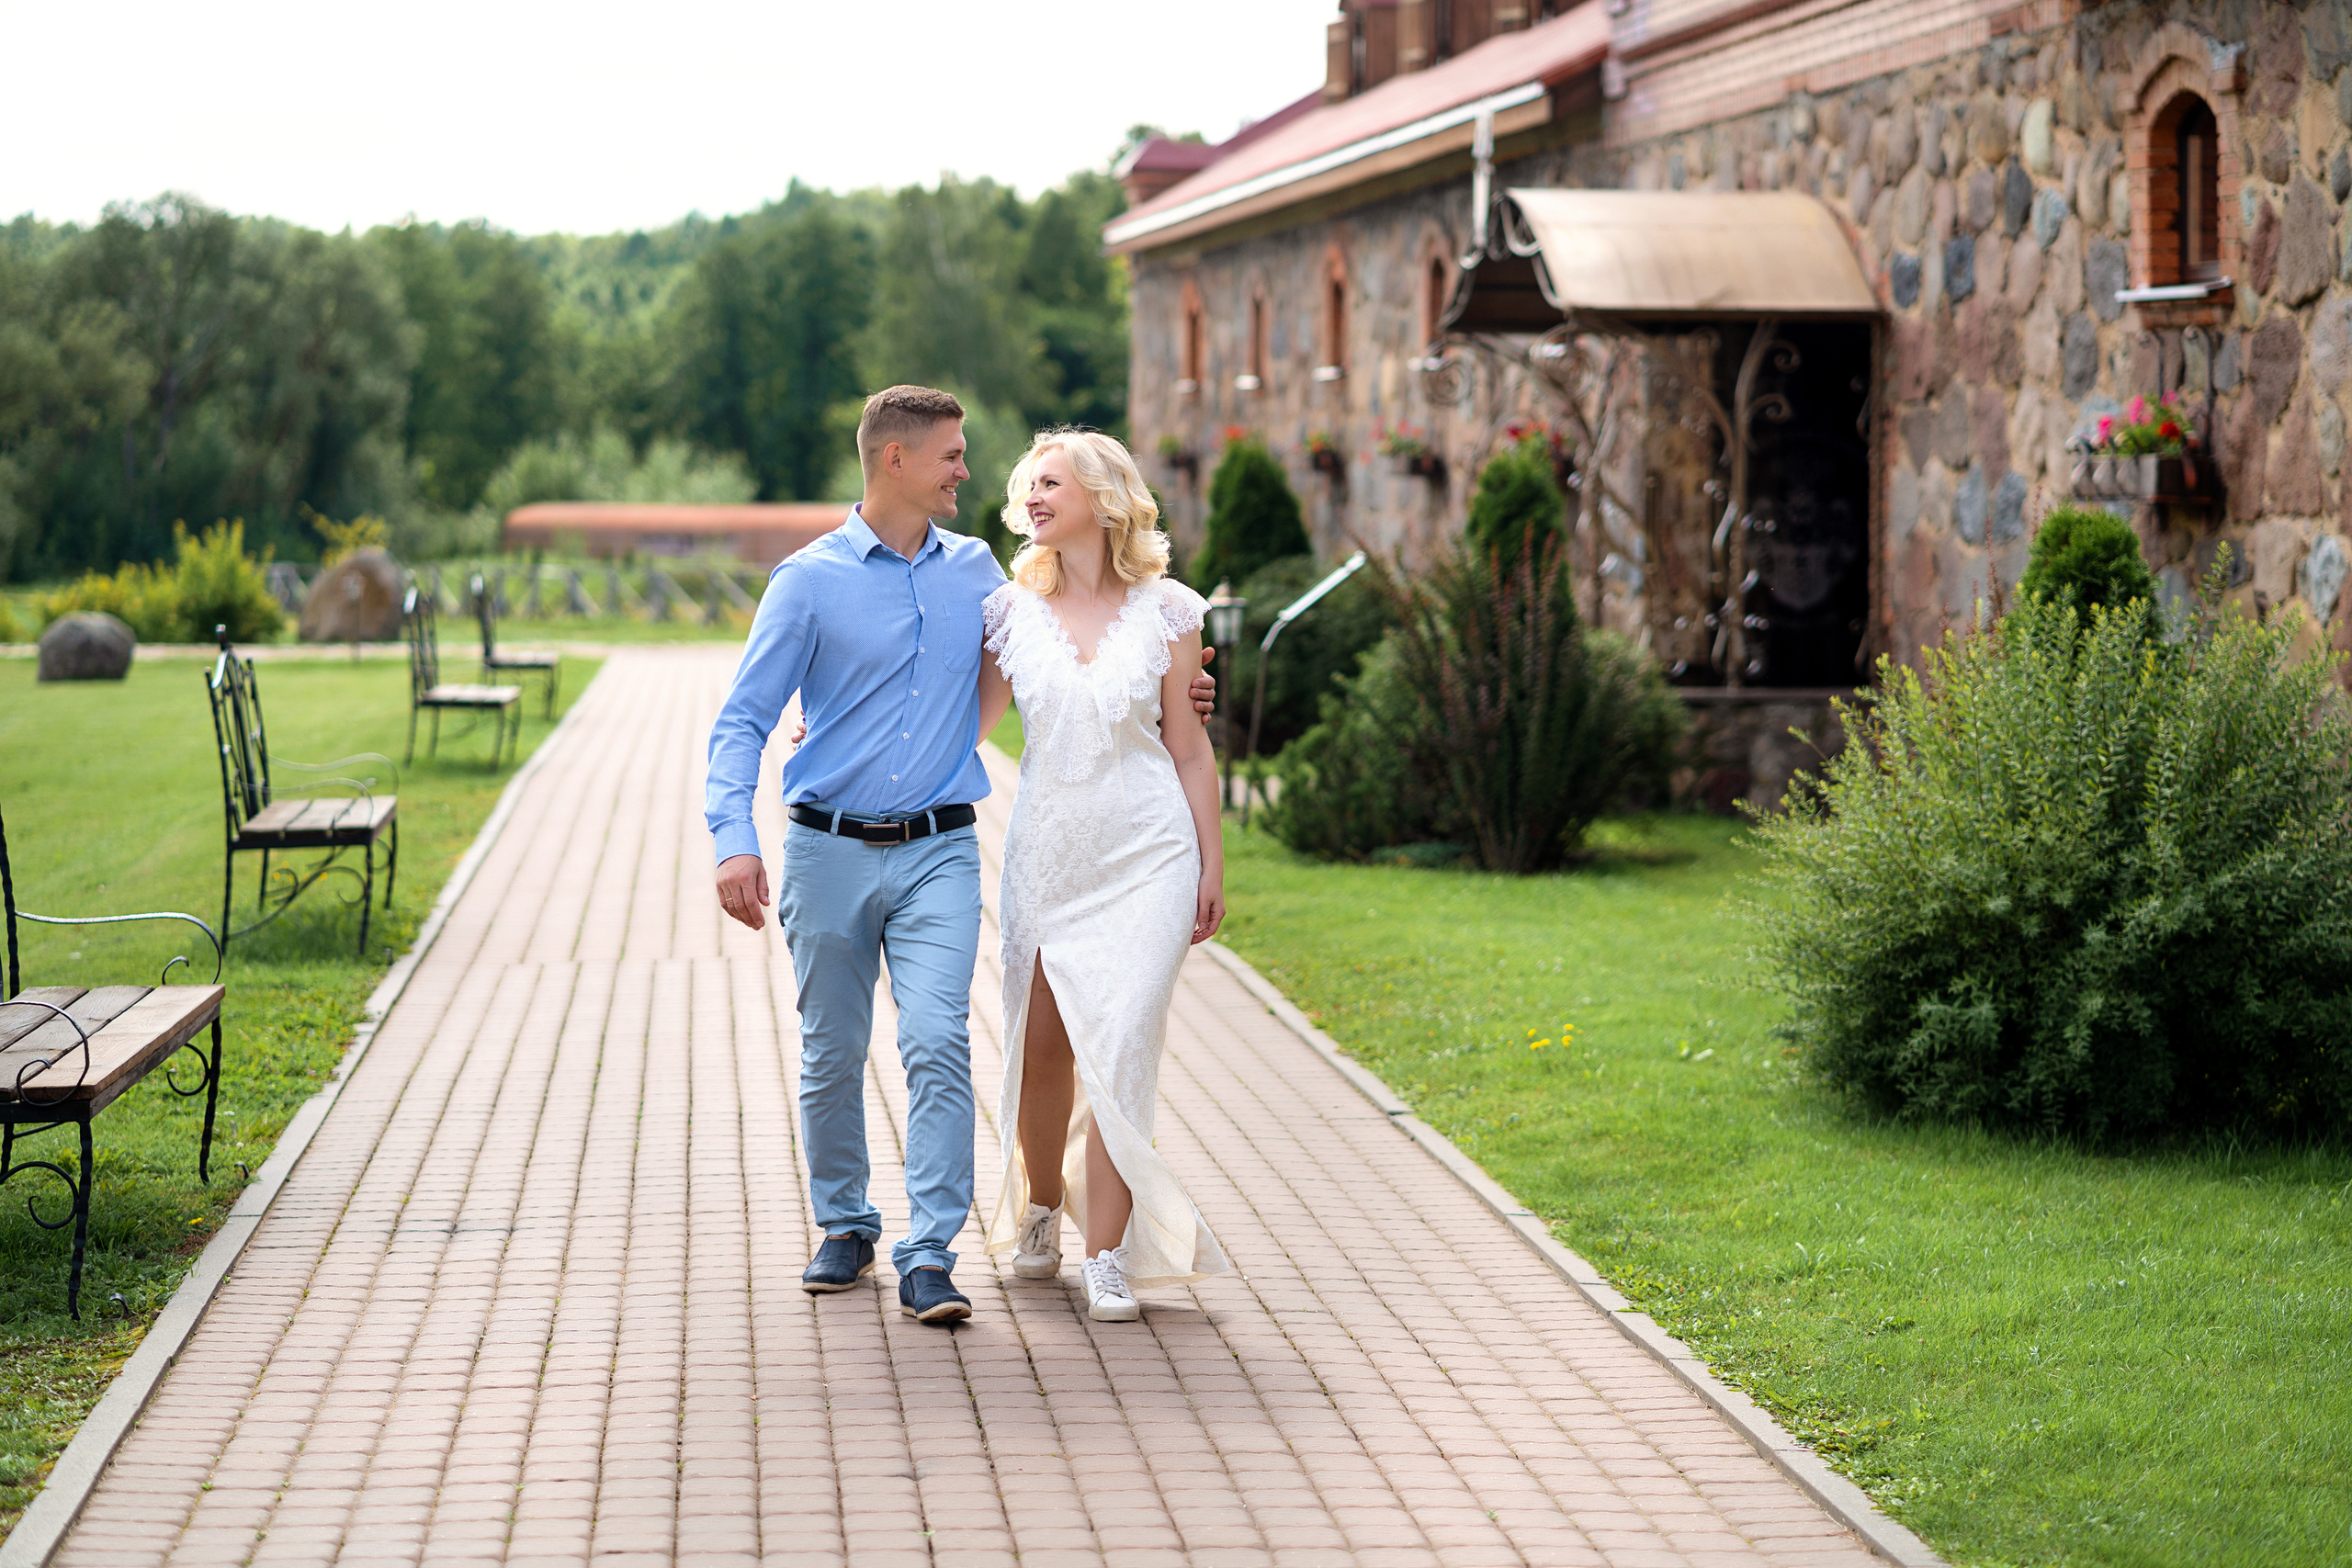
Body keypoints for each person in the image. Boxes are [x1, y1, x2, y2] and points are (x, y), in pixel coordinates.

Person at [705, 386, 1214, 1327]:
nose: (968, 473)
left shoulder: (979, 574)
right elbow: (741, 721)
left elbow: (1084, 656)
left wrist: (1176, 690)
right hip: (825, 847)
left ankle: (929, 1251)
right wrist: (736, 838)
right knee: (831, 1049)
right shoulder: (807, 581)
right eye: (951, 455)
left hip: (944, 848)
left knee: (939, 1041)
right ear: (895, 459)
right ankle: (846, 1223)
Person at [977, 430, 1231, 1323]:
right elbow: (957, 726)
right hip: (1048, 851)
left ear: (1101, 494)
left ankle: (1112, 1255)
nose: (1032, 497)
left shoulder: (1170, 612)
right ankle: (1041, 1210)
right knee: (1044, 1050)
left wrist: (1210, 863)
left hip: (1148, 852)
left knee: (1121, 1044)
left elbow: (1189, 748)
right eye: (1028, 485)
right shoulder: (1007, 611)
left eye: (1050, 482)